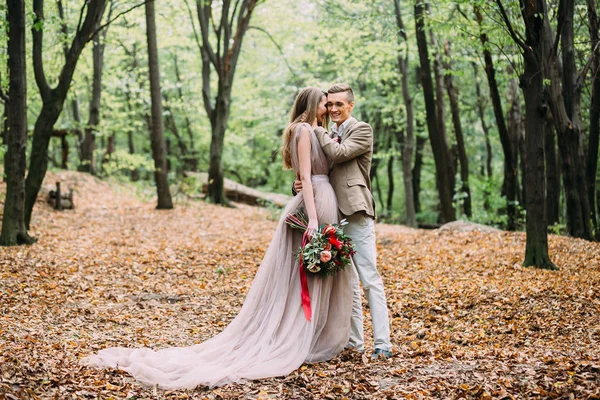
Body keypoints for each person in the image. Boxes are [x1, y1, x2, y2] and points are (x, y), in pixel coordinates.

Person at [81, 87, 356, 389]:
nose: (328, 108)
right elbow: (304, 175)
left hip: (325, 199)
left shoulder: (320, 132)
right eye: (323, 103)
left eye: (331, 104)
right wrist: (313, 219)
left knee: (321, 271)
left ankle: (316, 333)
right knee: (305, 273)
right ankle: (296, 336)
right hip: (314, 204)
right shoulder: (303, 129)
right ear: (311, 104)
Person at [294, 83, 392, 360]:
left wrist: (316, 129)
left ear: (351, 105)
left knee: (369, 277)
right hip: (332, 213)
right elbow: (317, 167)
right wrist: (301, 184)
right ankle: (354, 342)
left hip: (356, 211)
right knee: (346, 282)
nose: (333, 109)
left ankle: (382, 343)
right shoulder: (325, 133)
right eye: (329, 104)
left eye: (339, 104)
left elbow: (338, 154)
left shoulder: (361, 129)